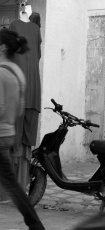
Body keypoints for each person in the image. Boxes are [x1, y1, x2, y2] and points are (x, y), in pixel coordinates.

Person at [0, 28, 45, 230]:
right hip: (8, 134)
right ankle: (35, 224)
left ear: (2, 48)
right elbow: (19, 109)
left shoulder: (0, 72)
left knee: (10, 184)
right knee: (11, 184)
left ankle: (35, 224)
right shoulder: (18, 73)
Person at [9, 6, 42, 191]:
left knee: (16, 143)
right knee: (24, 144)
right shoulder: (36, 30)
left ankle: (16, 186)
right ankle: (22, 185)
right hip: (32, 90)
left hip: (20, 91)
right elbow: (37, 55)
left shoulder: (13, 25)